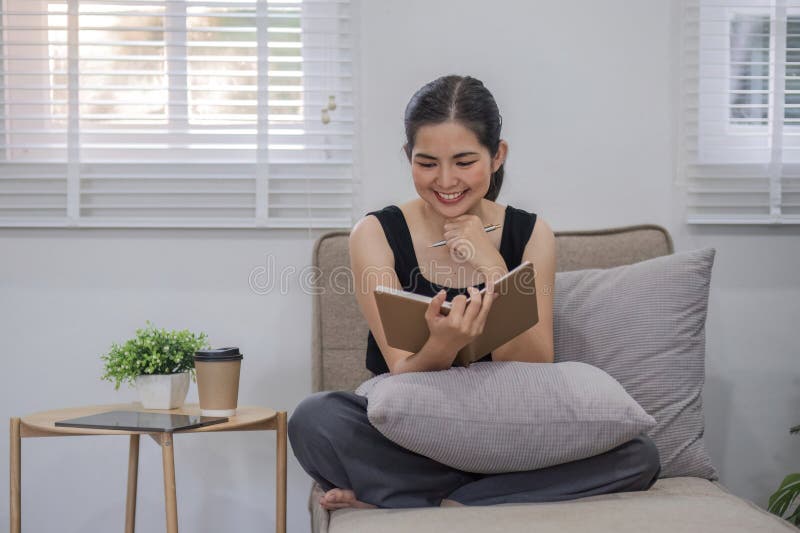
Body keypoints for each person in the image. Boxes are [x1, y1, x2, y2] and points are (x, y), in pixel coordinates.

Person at [289, 75, 661, 510]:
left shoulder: (531, 233)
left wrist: (493, 266)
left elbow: (532, 363)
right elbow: (399, 366)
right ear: (408, 156)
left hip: (514, 443)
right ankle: (466, 496)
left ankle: (418, 497)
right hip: (414, 444)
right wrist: (443, 347)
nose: (446, 180)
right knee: (315, 418)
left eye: (464, 161)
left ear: (497, 155)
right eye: (427, 163)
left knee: (639, 458)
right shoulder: (375, 233)